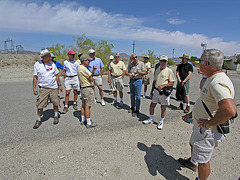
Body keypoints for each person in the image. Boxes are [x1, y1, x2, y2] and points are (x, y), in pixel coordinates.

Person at [178, 49, 236, 180]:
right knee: (193, 144)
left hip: (207, 131)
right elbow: (208, 102)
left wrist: (209, 124)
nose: (199, 63)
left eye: (200, 60)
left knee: (203, 161)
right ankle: (192, 163)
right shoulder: (212, 78)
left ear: (207, 64)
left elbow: (229, 110)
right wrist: (193, 114)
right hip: (201, 126)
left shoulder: (217, 82)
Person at [142, 55, 175, 130]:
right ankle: (151, 118)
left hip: (164, 92)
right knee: (152, 105)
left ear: (167, 62)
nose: (162, 62)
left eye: (164, 61)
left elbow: (172, 82)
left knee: (163, 107)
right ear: (159, 62)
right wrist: (151, 91)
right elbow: (154, 81)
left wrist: (164, 85)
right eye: (161, 61)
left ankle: (161, 121)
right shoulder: (157, 70)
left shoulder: (169, 71)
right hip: (156, 91)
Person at [33, 49, 63, 129]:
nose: (50, 58)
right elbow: (35, 77)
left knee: (55, 102)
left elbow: (56, 76)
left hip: (53, 87)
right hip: (43, 88)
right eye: (49, 56)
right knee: (40, 105)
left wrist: (59, 85)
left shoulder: (52, 64)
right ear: (43, 57)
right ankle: (39, 119)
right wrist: (34, 88)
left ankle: (56, 115)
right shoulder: (37, 64)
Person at [77, 55, 97, 128]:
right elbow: (91, 79)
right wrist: (93, 71)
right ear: (84, 61)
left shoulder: (79, 68)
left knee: (84, 104)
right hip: (87, 88)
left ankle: (83, 119)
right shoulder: (84, 69)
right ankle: (88, 122)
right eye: (88, 60)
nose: (89, 62)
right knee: (87, 105)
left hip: (83, 88)